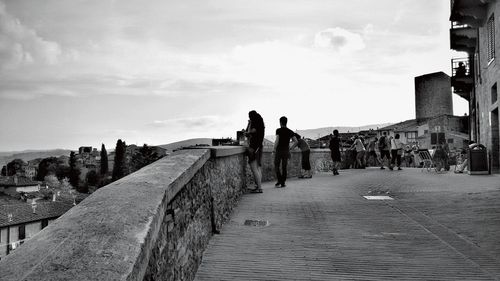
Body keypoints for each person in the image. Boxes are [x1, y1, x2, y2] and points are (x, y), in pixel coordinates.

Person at [274, 116, 298, 187]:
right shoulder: (290, 131)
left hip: (279, 150)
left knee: (276, 166)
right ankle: (283, 182)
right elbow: (296, 141)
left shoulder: (278, 130)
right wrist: (291, 148)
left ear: (280, 122)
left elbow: (277, 140)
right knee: (284, 167)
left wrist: (273, 149)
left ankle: (279, 180)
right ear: (286, 122)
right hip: (286, 151)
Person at [245, 110, 265, 193]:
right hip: (259, 146)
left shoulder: (255, 122)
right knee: (258, 168)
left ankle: (259, 188)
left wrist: (249, 124)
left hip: (254, 147)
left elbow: (250, 131)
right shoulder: (261, 123)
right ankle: (258, 186)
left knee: (254, 168)